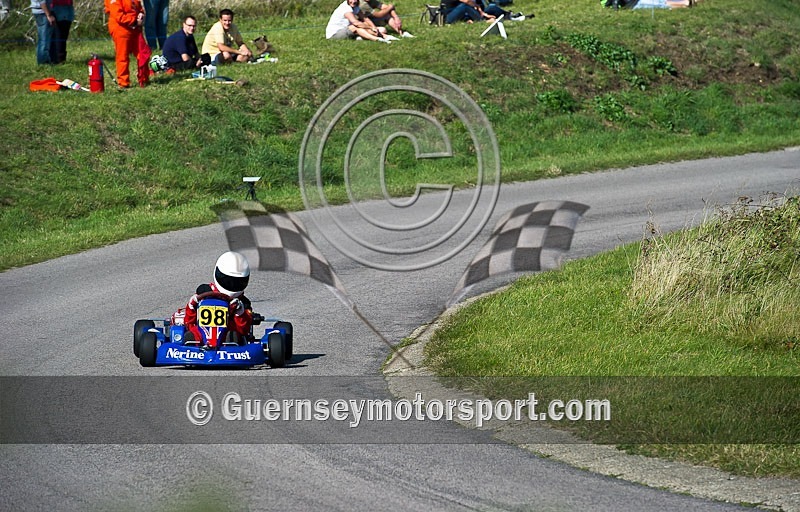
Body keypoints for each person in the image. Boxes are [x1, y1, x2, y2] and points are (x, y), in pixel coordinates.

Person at [183, 251, 254, 349]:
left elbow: (244, 330)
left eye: (237, 282)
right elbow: (189, 322)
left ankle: (231, 347)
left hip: (227, 335)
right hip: (201, 331)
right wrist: (191, 306)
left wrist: (240, 313)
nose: (232, 285)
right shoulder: (203, 292)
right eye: (228, 281)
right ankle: (191, 346)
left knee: (233, 335)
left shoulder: (243, 303)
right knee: (191, 334)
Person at [105, 0, 151, 87]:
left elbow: (138, 6)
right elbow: (118, 15)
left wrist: (141, 14)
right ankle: (123, 82)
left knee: (143, 53)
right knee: (123, 56)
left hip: (135, 28)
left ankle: (144, 78)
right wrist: (134, 21)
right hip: (121, 29)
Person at [326, 0, 391, 43]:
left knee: (382, 29)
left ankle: (384, 36)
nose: (353, 1)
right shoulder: (346, 9)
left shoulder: (355, 6)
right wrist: (370, 28)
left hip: (348, 30)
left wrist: (374, 27)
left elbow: (365, 18)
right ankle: (377, 39)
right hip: (334, 34)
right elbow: (356, 23)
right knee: (355, 26)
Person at [31, 0, 55, 65]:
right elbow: (42, 2)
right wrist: (48, 15)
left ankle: (43, 60)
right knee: (44, 39)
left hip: (39, 11)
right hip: (42, 12)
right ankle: (44, 62)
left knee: (42, 39)